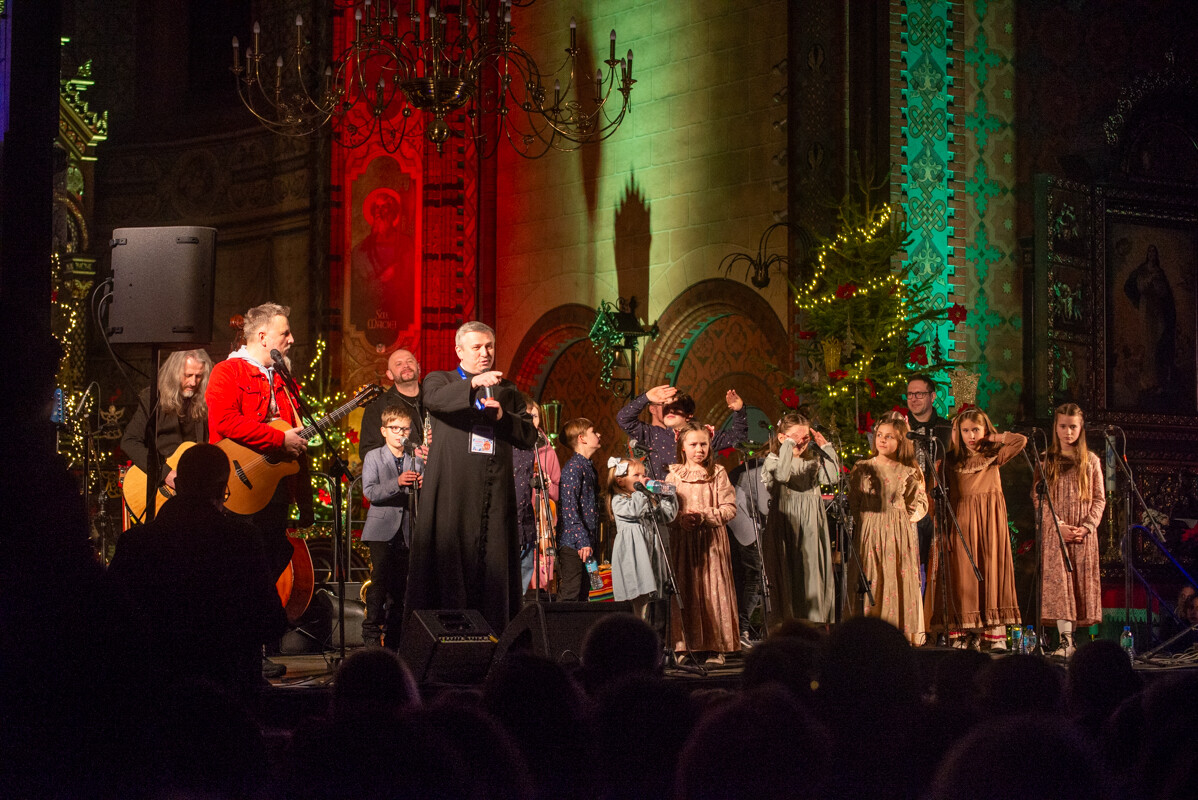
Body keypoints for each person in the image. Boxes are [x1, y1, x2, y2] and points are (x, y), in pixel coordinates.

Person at [106, 444, 288, 697]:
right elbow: (272, 623)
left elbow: (110, 623)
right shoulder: (242, 539)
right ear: (220, 489)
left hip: (154, 693)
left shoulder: (135, 542)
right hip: (229, 689)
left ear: (177, 484)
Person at [403, 321, 539, 634]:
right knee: (448, 571)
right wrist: (475, 383)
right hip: (452, 494)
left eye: (489, 346)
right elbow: (433, 400)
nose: (484, 353)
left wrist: (502, 417)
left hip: (493, 496)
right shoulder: (441, 379)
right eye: (476, 347)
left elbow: (529, 435)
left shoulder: (507, 390)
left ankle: (494, 641)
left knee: (492, 572)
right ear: (459, 350)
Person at [205, 303, 310, 582]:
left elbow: (295, 436)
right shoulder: (227, 371)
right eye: (285, 333)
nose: (292, 339)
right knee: (239, 567)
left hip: (276, 488)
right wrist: (278, 439)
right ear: (263, 338)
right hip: (238, 487)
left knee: (272, 558)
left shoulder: (282, 378)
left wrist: (305, 500)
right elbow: (225, 421)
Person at [925, 408, 1026, 651]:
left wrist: (992, 437)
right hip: (961, 522)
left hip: (989, 523)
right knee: (964, 577)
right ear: (958, 432)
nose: (971, 436)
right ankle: (966, 632)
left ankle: (992, 633)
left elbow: (1020, 441)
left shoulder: (993, 455)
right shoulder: (949, 461)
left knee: (990, 571)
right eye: (966, 430)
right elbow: (935, 501)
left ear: (985, 429)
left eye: (976, 430)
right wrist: (942, 531)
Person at [846, 415, 928, 644]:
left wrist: (898, 521)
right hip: (868, 533)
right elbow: (854, 501)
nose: (882, 440)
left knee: (893, 578)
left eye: (889, 437)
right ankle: (866, 636)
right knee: (871, 577)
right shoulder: (862, 468)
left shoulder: (907, 471)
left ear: (901, 441)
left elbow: (917, 504)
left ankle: (898, 635)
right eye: (879, 435)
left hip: (896, 534)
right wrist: (868, 523)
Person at [665, 421, 739, 666]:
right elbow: (665, 512)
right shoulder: (673, 476)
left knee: (713, 590)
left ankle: (716, 646)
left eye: (704, 444)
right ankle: (684, 646)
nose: (699, 449)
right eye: (693, 444)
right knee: (686, 591)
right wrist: (680, 519)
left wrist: (706, 516)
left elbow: (729, 508)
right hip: (684, 543)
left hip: (711, 543)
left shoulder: (717, 473)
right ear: (682, 447)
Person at [1036, 403, 1105, 659]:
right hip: (1057, 533)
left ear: (1081, 428)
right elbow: (1039, 498)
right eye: (1063, 426)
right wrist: (1058, 526)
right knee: (1061, 587)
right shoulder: (1046, 459)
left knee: (1078, 586)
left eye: (1073, 427)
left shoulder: (1091, 461)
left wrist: (1086, 527)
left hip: (1082, 535)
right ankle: (1065, 640)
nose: (1068, 432)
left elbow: (1099, 499)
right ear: (1055, 427)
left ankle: (1074, 642)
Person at [760, 412, 839, 626]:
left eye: (805, 438)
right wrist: (788, 446)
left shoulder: (812, 462)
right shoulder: (773, 460)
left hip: (811, 525)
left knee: (812, 573)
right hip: (787, 523)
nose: (801, 443)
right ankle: (788, 625)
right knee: (789, 574)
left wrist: (826, 448)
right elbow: (783, 475)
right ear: (782, 437)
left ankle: (815, 624)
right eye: (796, 437)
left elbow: (832, 478)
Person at [360, 406, 424, 649]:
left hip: (407, 529)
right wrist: (397, 482)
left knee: (401, 588)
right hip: (381, 530)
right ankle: (371, 634)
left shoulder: (415, 459)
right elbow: (370, 492)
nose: (400, 434)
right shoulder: (373, 457)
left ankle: (394, 639)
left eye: (405, 429)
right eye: (395, 428)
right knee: (380, 582)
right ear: (384, 431)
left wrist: (422, 485)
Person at [120, 348, 212, 499]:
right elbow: (129, 441)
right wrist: (164, 473)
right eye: (188, 375)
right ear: (174, 373)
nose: (193, 382)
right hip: (159, 485)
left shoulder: (205, 401)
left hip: (193, 486)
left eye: (198, 376)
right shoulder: (152, 398)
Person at [617, 383, 748, 481]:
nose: (670, 411)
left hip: (696, 500)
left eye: (676, 407)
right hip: (663, 504)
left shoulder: (703, 435)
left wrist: (739, 410)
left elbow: (738, 437)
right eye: (666, 407)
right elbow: (623, 419)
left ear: (688, 415)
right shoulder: (654, 434)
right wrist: (646, 397)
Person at [605, 456, 679, 619]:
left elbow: (667, 516)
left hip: (650, 553)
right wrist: (642, 491)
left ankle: (647, 627)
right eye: (636, 475)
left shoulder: (645, 499)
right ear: (620, 481)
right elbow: (634, 511)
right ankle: (635, 626)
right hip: (634, 555)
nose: (643, 478)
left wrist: (667, 496)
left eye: (644, 475)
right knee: (637, 596)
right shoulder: (619, 501)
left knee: (650, 599)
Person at [512, 397, 560, 594]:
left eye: (535, 415)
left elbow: (557, 489)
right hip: (517, 514)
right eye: (528, 415)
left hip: (539, 521)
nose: (532, 419)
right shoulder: (511, 445)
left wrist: (547, 486)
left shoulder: (547, 450)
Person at [905, 375, 952, 572]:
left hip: (939, 507)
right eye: (910, 394)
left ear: (932, 396)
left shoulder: (947, 429)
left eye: (919, 394)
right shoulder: (900, 429)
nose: (913, 399)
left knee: (937, 567)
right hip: (908, 507)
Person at [556, 418, 602, 602]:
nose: (599, 434)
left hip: (586, 542)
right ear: (582, 438)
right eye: (593, 432)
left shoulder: (587, 467)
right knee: (571, 593)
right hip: (574, 544)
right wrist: (582, 540)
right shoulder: (574, 468)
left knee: (583, 593)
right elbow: (569, 508)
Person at [726, 455, 768, 648]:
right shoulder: (760, 469)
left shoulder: (750, 466)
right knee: (756, 577)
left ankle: (739, 629)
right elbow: (764, 506)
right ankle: (741, 630)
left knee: (746, 578)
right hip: (745, 528)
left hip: (738, 526)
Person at [358, 347, 425, 460]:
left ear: (418, 368)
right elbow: (368, 452)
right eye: (399, 364)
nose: (406, 365)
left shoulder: (436, 398)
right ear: (390, 374)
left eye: (410, 361)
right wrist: (405, 459)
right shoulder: (376, 406)